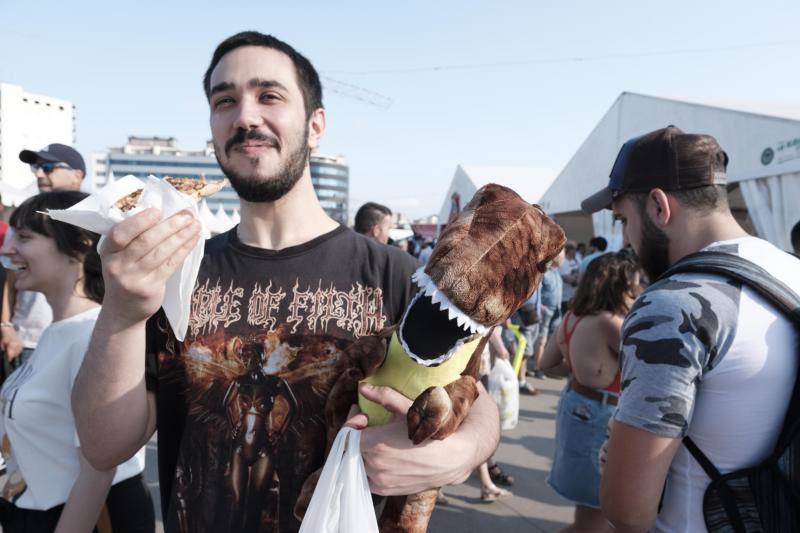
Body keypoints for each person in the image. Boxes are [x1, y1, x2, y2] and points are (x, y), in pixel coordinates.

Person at [72, 31, 500, 532]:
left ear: (316, 125)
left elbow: (476, 394)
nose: (245, 116)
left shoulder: (394, 275)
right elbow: (103, 447)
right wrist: (121, 312)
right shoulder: (175, 272)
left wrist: (464, 452)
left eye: (269, 95)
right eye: (224, 100)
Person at [581, 126, 800, 532]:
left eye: (623, 219)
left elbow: (627, 510)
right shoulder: (791, 271)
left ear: (659, 207)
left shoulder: (674, 305)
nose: (626, 239)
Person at [0, 191, 154, 532]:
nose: (8, 250)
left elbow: (100, 471)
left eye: (24, 237)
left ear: (81, 244)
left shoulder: (93, 337)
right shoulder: (61, 332)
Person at [540, 251, 640, 532]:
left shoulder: (572, 317)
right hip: (600, 412)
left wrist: (580, 369)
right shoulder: (611, 323)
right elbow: (648, 364)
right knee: (594, 519)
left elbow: (547, 365)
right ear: (618, 287)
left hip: (577, 403)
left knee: (591, 514)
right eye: (633, 287)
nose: (637, 291)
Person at [1, 144, 86, 372]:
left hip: (78, 336)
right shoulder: (25, 216)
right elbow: (11, 281)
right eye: (35, 168)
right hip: (26, 340)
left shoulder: (98, 222)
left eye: (48, 167)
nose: (39, 174)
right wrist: (7, 325)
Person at [531, 249, 565, 379]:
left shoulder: (556, 272)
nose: (562, 258)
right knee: (541, 339)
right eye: (561, 255)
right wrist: (540, 306)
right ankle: (538, 368)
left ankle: (548, 367)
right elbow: (535, 291)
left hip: (557, 309)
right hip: (546, 310)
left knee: (552, 339)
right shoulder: (543, 273)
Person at [558, 241, 580, 314]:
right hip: (565, 298)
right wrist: (578, 277)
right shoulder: (563, 262)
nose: (576, 251)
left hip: (576, 296)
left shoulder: (577, 260)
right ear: (569, 250)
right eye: (575, 249)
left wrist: (575, 276)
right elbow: (567, 279)